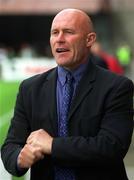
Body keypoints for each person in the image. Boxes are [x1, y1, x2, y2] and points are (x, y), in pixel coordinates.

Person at [1, 8, 134, 180]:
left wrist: (53, 145)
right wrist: (19, 158)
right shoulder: (30, 88)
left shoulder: (117, 87)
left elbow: (111, 147)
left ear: (89, 39)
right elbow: (10, 146)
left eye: (68, 32)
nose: (59, 39)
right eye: (54, 33)